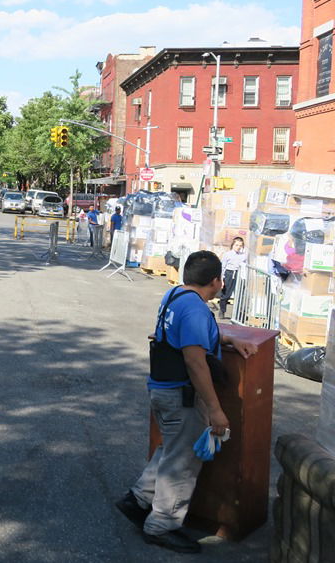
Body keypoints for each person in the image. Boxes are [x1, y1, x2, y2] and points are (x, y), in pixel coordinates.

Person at [115, 251, 257, 554]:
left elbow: (187, 335)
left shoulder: (176, 295)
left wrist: (228, 340)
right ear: (217, 281)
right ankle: (161, 526)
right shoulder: (195, 309)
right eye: (222, 280)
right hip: (182, 395)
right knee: (182, 463)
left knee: (172, 449)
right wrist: (216, 410)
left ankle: (138, 499)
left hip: (164, 390)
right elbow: (195, 362)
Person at [217, 237, 246, 319]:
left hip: (238, 274)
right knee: (226, 294)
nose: (238, 247)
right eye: (236, 245)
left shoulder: (243, 256)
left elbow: (245, 265)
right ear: (233, 245)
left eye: (240, 245)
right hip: (229, 273)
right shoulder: (228, 254)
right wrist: (222, 279)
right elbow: (223, 267)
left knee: (239, 294)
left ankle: (238, 314)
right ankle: (222, 310)